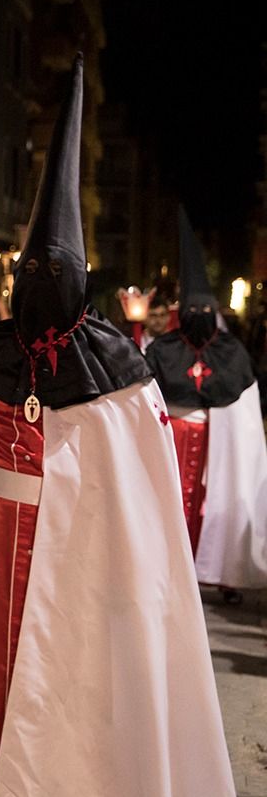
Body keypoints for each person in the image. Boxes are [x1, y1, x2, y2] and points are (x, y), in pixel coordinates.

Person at [0, 57, 251, 797]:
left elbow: (140, 496)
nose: (38, 293)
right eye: (30, 280)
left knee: (79, 706)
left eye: (53, 281)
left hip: (78, 568)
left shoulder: (119, 369)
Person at [146, 214, 267, 596]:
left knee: (209, 507)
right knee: (170, 507)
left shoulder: (231, 352)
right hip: (174, 438)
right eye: (191, 311)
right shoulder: (163, 350)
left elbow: (244, 408)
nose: (197, 317)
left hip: (217, 447)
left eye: (203, 310)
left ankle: (218, 567)